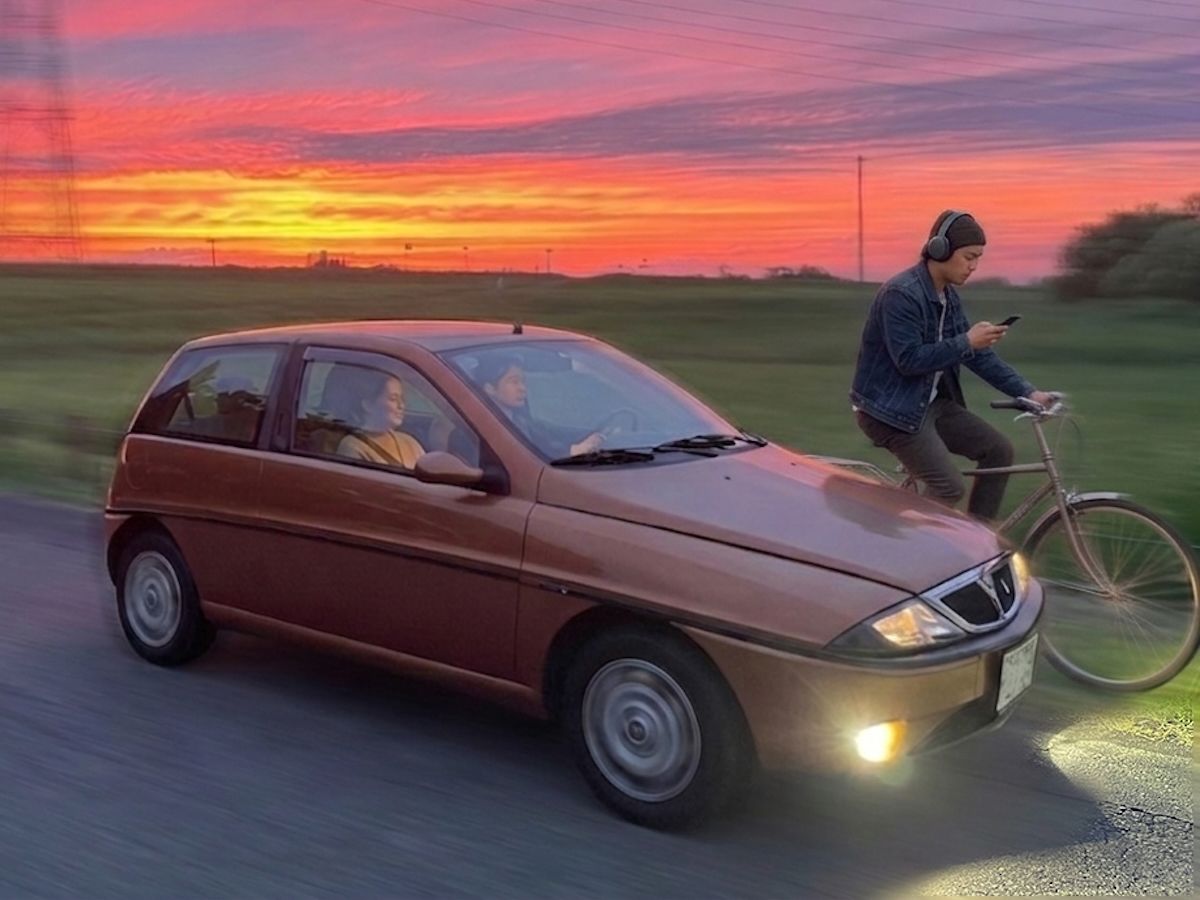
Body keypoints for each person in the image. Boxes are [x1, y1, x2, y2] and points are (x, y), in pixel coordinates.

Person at [849, 210, 1055, 522]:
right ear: (940, 250)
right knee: (947, 487)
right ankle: (897, 547)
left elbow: (978, 357)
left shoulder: (948, 298)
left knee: (999, 450)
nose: (974, 266)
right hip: (891, 412)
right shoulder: (901, 295)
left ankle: (977, 547)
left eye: (979, 258)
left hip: (930, 405)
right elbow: (908, 360)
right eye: (969, 257)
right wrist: (967, 342)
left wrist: (1030, 392)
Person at [474, 354, 603, 457]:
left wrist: (598, 434)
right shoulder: (478, 434)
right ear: (489, 388)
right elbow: (521, 462)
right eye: (514, 382)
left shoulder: (520, 420)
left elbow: (552, 433)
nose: (523, 388)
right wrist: (571, 452)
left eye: (523, 381)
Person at [329, 366, 425, 469]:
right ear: (368, 405)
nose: (401, 405)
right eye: (393, 399)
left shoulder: (409, 442)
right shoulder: (353, 447)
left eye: (402, 399)